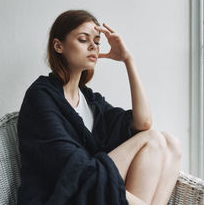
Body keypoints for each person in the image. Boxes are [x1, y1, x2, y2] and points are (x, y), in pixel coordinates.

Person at [17, 10, 182, 205]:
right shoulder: (41, 96)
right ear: (58, 46)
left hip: (92, 186)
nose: (93, 46)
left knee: (171, 143)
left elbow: (143, 123)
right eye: (83, 39)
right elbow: (73, 170)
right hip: (63, 194)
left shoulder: (90, 100)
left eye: (96, 41)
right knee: (152, 139)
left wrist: (128, 60)